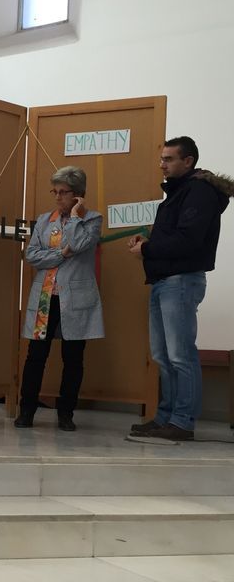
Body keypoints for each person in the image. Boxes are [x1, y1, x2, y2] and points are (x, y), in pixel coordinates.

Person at [128, 136, 232, 441]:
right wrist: (148, 242)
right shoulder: (178, 192)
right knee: (163, 355)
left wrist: (147, 249)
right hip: (164, 280)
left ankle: (182, 422)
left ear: (188, 161)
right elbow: (176, 236)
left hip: (181, 281)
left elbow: (189, 240)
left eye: (169, 159)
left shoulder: (198, 192)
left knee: (180, 355)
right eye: (162, 158)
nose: (162, 164)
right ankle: (165, 418)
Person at [15, 166, 103, 432]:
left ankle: (66, 413)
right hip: (45, 296)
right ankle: (26, 411)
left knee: (73, 358)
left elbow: (77, 244)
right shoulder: (45, 220)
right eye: (55, 191)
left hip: (74, 299)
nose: (57, 197)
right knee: (35, 356)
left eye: (63, 192)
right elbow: (32, 255)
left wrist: (75, 216)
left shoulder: (92, 219)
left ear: (78, 195)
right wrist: (60, 255)